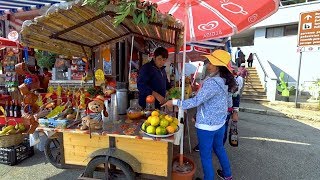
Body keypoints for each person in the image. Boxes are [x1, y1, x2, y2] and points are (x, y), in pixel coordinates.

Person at [162, 50, 237, 180]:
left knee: (206, 155)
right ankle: (227, 174)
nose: (208, 65)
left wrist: (174, 102)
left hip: (207, 126)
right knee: (219, 148)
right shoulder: (226, 81)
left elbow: (196, 101)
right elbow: (227, 102)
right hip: (220, 123)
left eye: (211, 63)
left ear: (218, 66)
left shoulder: (212, 83)